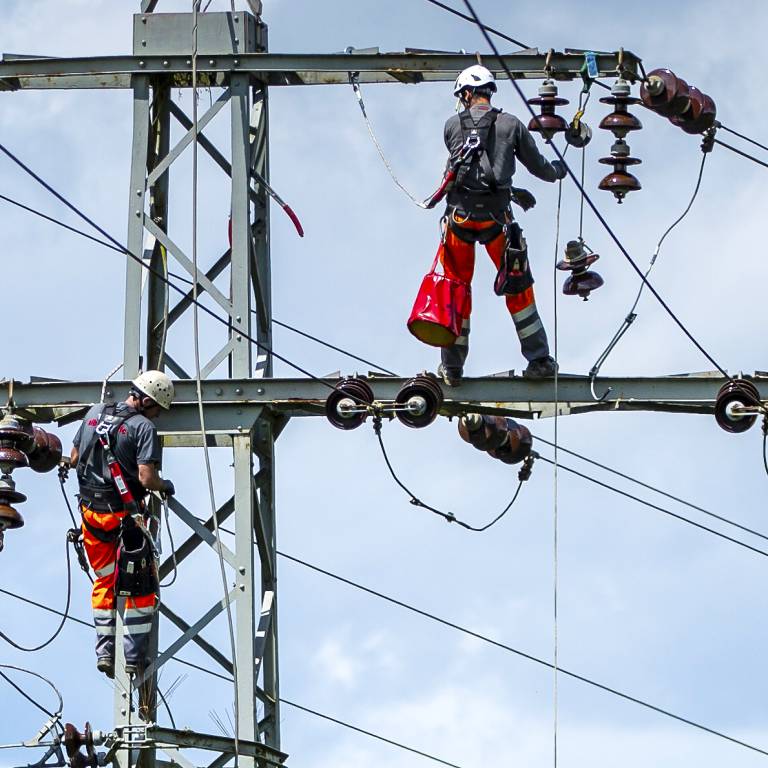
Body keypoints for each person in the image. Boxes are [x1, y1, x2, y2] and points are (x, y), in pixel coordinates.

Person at [436, 65, 567, 386]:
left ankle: (452, 368)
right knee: (518, 288)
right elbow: (539, 168)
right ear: (489, 92)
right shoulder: (511, 124)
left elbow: (461, 172)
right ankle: (539, 360)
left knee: (456, 289)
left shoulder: (451, 125)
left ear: (466, 94)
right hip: (496, 221)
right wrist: (558, 170)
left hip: (460, 221)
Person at [67, 371, 175, 678]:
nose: (157, 415)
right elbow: (146, 478)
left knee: (104, 581)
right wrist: (164, 485)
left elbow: (74, 458)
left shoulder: (94, 413)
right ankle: (132, 657)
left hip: (92, 516)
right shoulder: (143, 427)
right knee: (139, 584)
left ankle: (104, 651)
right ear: (147, 401)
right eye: (157, 409)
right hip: (124, 518)